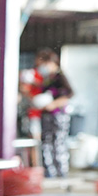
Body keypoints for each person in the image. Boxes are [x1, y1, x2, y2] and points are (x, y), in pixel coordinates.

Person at [33, 48, 74, 178]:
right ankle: (49, 173)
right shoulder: (46, 79)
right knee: (46, 144)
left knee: (58, 144)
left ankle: (61, 173)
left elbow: (70, 94)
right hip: (46, 116)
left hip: (58, 116)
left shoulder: (59, 77)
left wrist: (54, 104)